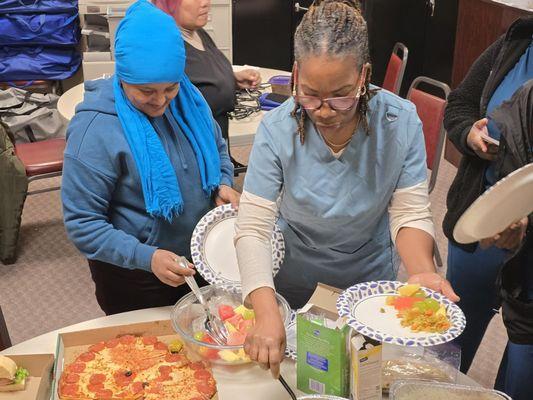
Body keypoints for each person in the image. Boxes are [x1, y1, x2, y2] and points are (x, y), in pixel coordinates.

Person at [234, 0, 458, 377]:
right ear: (294, 75)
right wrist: (266, 309)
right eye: (309, 94)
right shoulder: (278, 128)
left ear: (364, 75)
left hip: (367, 283)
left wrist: (421, 271)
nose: (323, 110)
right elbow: (254, 226)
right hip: (293, 276)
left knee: (360, 377)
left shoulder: (399, 123)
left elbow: (409, 211)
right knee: (299, 376)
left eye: (341, 95)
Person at [61, 0, 239, 315]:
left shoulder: (189, 99)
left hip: (197, 257)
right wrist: (146, 257)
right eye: (146, 91)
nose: (160, 102)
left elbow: (218, 148)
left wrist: (222, 182)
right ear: (122, 77)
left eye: (170, 88)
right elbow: (83, 223)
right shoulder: (96, 129)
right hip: (135, 275)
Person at [442, 16, 532, 395]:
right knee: (448, 347)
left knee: (521, 374)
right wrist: (469, 133)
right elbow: (459, 104)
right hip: (480, 222)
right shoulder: (516, 42)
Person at [154, 0, 261, 170]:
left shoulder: (197, 33)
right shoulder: (168, 48)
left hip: (216, 146)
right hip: (194, 159)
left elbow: (202, 75)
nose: (205, 3)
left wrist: (232, 79)